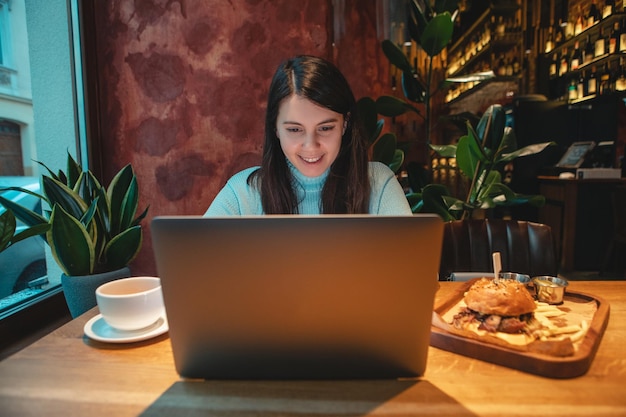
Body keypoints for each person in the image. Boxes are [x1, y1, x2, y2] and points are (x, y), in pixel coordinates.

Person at [205, 55, 412, 216]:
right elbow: (191, 266)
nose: (311, 146)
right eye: (295, 130)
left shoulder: (378, 184)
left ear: (345, 124)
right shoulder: (242, 193)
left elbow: (413, 267)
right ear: (275, 129)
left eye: (325, 128)